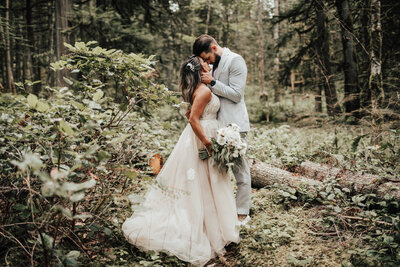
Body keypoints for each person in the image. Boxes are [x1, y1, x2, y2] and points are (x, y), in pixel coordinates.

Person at [122, 56, 239, 266]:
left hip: (207, 133)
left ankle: (215, 226)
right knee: (203, 183)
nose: (208, 66)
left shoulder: (202, 87)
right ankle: (203, 229)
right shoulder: (203, 91)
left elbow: (192, 114)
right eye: (205, 64)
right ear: (198, 69)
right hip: (203, 138)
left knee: (210, 182)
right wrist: (207, 143)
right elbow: (194, 119)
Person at [192, 35, 251, 225]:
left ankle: (242, 212)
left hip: (235, 126)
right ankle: (220, 210)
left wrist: (213, 82)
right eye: (205, 60)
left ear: (214, 48)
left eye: (208, 58)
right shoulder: (212, 64)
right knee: (217, 171)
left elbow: (236, 95)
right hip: (215, 127)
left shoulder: (235, 61)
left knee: (241, 171)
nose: (207, 63)